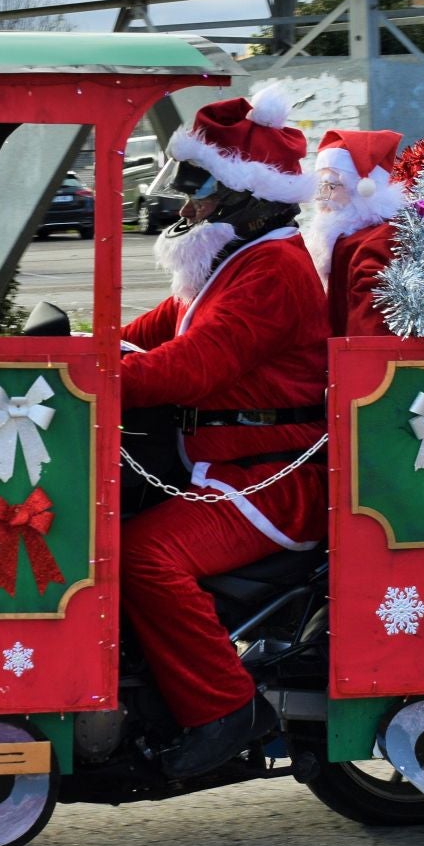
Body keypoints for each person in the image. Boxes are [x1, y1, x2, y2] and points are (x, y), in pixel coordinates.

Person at [119, 86, 329, 778]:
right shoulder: (223, 267)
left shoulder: (273, 270)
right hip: (220, 471)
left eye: (200, 193)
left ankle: (224, 711)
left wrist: (88, 379)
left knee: (146, 558)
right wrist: (49, 358)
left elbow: (188, 369)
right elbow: (142, 337)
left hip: (270, 479)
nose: (187, 209)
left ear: (247, 195)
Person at [301, 128, 407, 336]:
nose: (322, 197)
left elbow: (370, 323)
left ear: (363, 190)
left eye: (332, 186)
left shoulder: (379, 240)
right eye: (320, 187)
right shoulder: (339, 239)